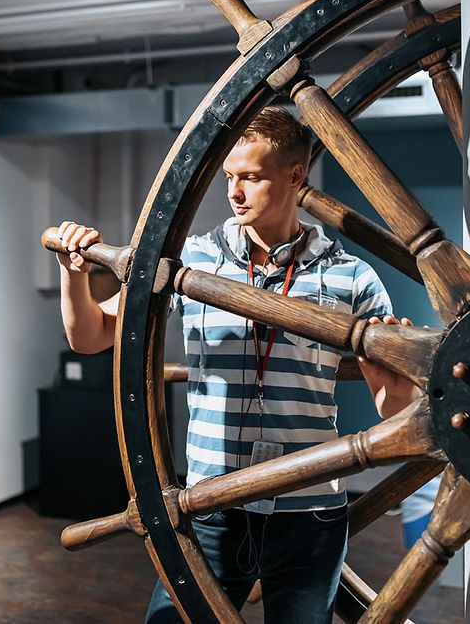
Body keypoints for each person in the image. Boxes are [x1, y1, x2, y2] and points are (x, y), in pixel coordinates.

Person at [55, 106, 415, 622]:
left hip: (309, 512)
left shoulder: (351, 278)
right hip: (211, 506)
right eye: (229, 176)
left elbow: (393, 411)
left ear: (295, 175)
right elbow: (90, 338)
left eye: (250, 176)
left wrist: (393, 373)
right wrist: (74, 275)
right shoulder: (192, 263)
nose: (234, 192)